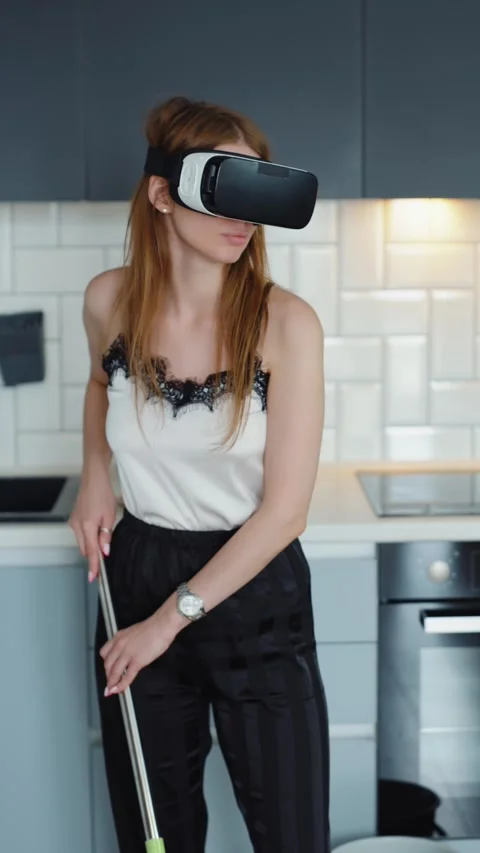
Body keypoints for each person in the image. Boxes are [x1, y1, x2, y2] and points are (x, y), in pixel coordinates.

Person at [69, 95, 329, 853]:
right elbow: (101, 384)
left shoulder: (287, 324)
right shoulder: (108, 301)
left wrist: (165, 623)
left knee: (292, 836)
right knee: (155, 835)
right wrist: (95, 474)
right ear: (162, 193)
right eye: (225, 186)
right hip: (139, 566)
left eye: (257, 187)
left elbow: (285, 513)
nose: (245, 215)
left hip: (255, 585)